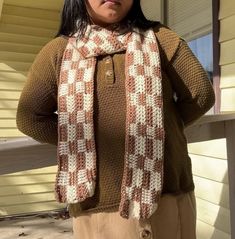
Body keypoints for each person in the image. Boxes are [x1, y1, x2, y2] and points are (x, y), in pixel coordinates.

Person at [16, 0, 215, 238]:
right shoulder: (58, 51)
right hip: (96, 207)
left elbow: (200, 95)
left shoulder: (162, 38)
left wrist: (155, 127)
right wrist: (82, 138)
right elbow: (30, 118)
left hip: (168, 196)